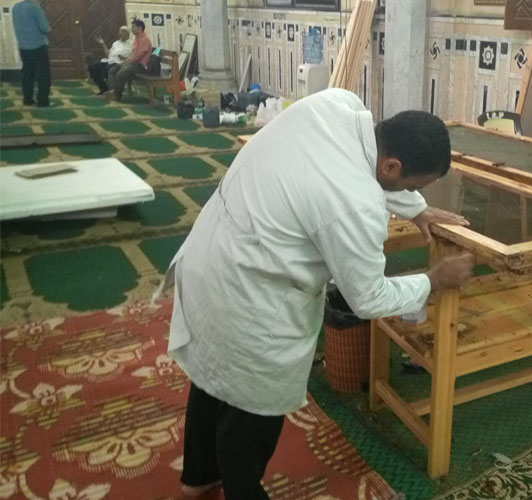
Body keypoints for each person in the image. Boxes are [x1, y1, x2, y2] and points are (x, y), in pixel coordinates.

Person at [162, 88, 475, 499]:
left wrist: (418, 208)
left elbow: (359, 172)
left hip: (211, 254)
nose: (412, 192)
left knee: (210, 378)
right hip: (248, 292)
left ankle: (198, 478)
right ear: (392, 165)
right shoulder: (354, 205)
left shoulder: (337, 105)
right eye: (414, 186)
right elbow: (369, 297)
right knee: (250, 416)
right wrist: (434, 280)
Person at [11, 0, 50, 107]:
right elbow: (44, 27)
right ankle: (43, 101)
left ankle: (27, 99)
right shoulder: (35, 8)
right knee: (43, 75)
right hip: (38, 45)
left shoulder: (16, 7)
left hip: (23, 46)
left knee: (27, 73)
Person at [103, 19, 151, 102]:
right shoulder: (136, 40)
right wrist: (123, 63)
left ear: (140, 28)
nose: (131, 29)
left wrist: (126, 63)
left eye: (133, 27)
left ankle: (117, 95)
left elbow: (139, 56)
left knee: (121, 73)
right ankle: (113, 91)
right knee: (113, 70)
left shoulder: (145, 39)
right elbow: (132, 55)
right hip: (133, 64)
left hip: (141, 66)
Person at [87, 26, 131, 94]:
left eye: (123, 32)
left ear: (128, 34)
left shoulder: (131, 44)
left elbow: (133, 56)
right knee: (92, 67)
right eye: (119, 32)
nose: (120, 33)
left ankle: (113, 91)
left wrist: (124, 57)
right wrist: (103, 43)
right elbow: (108, 55)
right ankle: (104, 88)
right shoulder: (116, 43)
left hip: (119, 63)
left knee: (106, 70)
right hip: (109, 61)